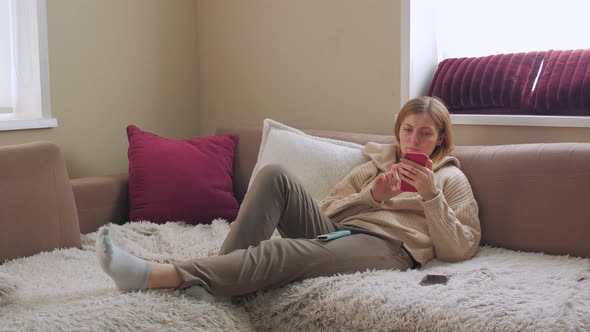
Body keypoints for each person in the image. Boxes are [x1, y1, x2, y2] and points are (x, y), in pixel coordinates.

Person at [96, 96, 481, 298]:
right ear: (397, 133)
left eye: (425, 133)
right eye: (408, 130)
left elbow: (459, 248)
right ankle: (217, 279)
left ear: (441, 139)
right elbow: (328, 207)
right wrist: (373, 195)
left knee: (282, 251)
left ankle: (159, 275)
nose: (413, 140)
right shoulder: (375, 165)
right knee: (273, 176)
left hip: (391, 247)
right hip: (340, 229)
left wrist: (431, 197)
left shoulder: (450, 179)